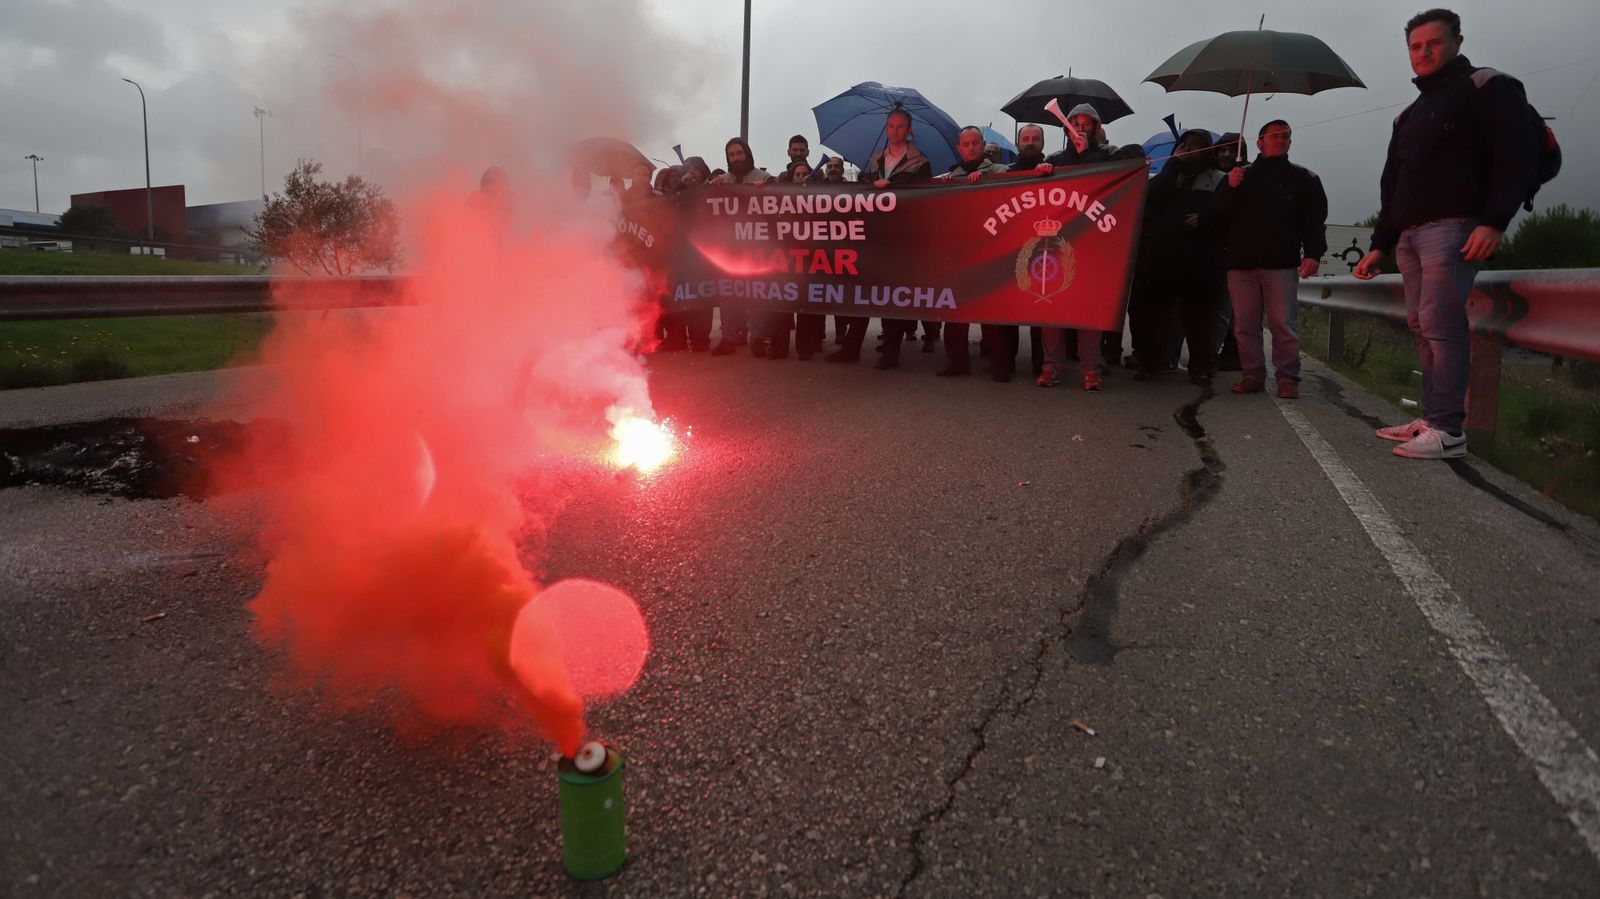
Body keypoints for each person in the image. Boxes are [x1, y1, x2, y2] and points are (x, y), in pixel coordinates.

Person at [1354, 8, 1543, 459]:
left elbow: (1516, 152)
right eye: (1415, 47)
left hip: (1455, 227)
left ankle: (1448, 431)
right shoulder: (1410, 115)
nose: (1424, 52)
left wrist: (1495, 219)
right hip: (1410, 235)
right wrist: (1380, 245)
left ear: (1457, 41)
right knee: (1422, 326)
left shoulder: (1486, 86)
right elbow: (1393, 185)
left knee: (1441, 324)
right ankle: (1432, 418)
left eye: (1433, 43)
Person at [1215, 120, 1327, 398]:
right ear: (1259, 142)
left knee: (1282, 324)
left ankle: (1287, 377)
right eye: (1274, 135)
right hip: (1240, 263)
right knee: (1244, 325)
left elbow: (1314, 221)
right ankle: (1252, 374)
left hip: (1282, 263)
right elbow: (1215, 216)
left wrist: (1313, 253)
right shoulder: (1239, 177)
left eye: (1285, 136)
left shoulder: (1305, 179)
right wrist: (1228, 186)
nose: (1280, 140)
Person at [1030, 105, 1134, 391]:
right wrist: (1043, 172)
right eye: (1073, 123)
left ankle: (1091, 368)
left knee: (1088, 310)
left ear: (1096, 128)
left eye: (1085, 124)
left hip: (1094, 244)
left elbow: (1132, 163)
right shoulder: (1055, 159)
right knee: (1052, 307)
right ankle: (1051, 366)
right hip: (1059, 242)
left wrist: (1087, 153)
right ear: (1065, 128)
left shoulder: (1109, 155)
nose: (1079, 127)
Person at [828, 108, 931, 367]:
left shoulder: (921, 162)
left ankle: (891, 353)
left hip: (902, 237)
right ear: (886, 129)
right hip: (873, 235)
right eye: (890, 126)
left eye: (900, 126)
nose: (894, 131)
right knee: (863, 294)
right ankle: (851, 348)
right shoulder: (875, 161)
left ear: (909, 131)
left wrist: (893, 187)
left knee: (894, 296)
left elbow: (924, 199)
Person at [1134, 128, 1227, 384]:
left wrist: (1205, 219)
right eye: (1185, 146)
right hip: (1163, 258)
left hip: (1201, 260)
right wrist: (1173, 165)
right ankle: (1150, 362)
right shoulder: (1167, 176)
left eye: (1196, 146)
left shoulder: (1220, 179)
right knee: (1155, 315)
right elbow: (1152, 200)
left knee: (1199, 318)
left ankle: (1200, 367)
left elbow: (1229, 214)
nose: (1190, 150)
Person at [933, 126, 1009, 377]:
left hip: (991, 251)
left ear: (983, 144)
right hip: (961, 254)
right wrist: (945, 188)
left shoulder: (1002, 172)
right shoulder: (952, 175)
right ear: (959, 148)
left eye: (975, 143)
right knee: (956, 309)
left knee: (992, 311)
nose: (971, 148)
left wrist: (988, 182)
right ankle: (957, 361)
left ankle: (999, 363)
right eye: (966, 144)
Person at [711, 138, 771, 357]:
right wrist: (711, 189)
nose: (736, 158)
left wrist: (768, 190)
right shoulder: (722, 181)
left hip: (756, 249)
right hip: (729, 250)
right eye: (731, 155)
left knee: (756, 295)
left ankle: (757, 338)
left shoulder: (762, 178)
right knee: (728, 294)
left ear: (747, 153)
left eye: (739, 153)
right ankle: (729, 337)